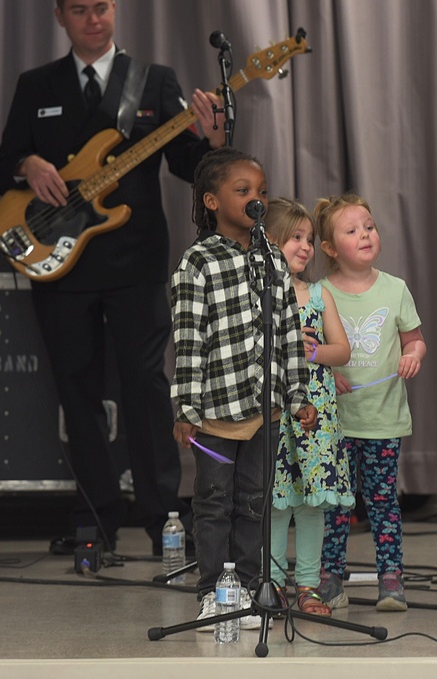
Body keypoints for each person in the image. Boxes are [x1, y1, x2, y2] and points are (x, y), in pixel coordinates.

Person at [0, 0, 227, 554]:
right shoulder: (36, 85)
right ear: (60, 17)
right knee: (77, 388)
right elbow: (1, 168)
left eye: (101, 9)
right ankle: (95, 518)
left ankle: (163, 518)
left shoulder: (153, 81)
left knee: (149, 389)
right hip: (61, 267)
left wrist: (214, 143)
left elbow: (188, 168)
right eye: (80, 11)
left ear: (115, 9)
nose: (93, 20)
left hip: (136, 263)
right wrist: (29, 166)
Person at [170, 148, 318, 632]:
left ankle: (252, 590)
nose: (256, 199)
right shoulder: (198, 262)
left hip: (264, 413)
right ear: (211, 201)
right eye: (243, 191)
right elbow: (189, 342)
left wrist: (297, 396)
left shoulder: (271, 257)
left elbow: (289, 334)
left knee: (255, 503)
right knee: (214, 504)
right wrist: (185, 408)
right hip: (214, 414)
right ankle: (213, 593)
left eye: (261, 191)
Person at [313, 194, 427, 612]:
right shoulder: (319, 293)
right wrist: (330, 373)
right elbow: (312, 353)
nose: (365, 234)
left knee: (382, 500)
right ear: (329, 248)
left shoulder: (395, 289)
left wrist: (412, 356)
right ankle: (329, 579)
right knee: (334, 504)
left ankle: (391, 579)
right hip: (334, 423)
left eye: (369, 226)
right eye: (351, 230)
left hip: (382, 420)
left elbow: (415, 340)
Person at [264, 198, 354, 615]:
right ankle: (274, 583)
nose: (305, 247)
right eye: (294, 238)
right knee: (277, 502)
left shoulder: (318, 295)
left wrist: (314, 353)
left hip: (315, 419)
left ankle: (308, 587)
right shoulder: (258, 296)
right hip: (276, 414)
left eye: (309, 239)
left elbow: (342, 351)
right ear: (268, 242)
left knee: (311, 503)